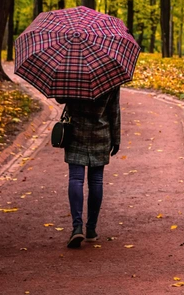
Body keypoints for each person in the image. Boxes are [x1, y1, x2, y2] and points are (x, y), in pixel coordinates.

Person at [56, 87, 121, 249]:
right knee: (96, 182)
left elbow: (59, 99)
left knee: (76, 179)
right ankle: (91, 229)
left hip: (76, 133)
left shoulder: (71, 73)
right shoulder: (109, 76)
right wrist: (116, 138)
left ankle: (76, 227)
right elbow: (114, 110)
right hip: (101, 134)